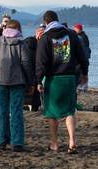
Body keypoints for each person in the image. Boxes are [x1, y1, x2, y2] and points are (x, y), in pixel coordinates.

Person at [35, 12, 87, 153]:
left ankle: (54, 143)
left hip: (53, 79)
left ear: (46, 22)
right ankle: (72, 142)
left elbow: (41, 61)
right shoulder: (72, 34)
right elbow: (82, 56)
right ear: (58, 20)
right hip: (69, 78)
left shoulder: (45, 38)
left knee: (52, 112)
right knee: (70, 110)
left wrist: (38, 79)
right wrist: (85, 73)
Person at [0, 18, 34, 150]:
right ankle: (17, 143)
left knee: (2, 111)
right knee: (16, 112)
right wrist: (30, 81)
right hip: (17, 81)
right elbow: (26, 63)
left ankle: (3, 141)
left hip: (0, 80)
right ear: (18, 29)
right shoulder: (21, 43)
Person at [72, 23, 91, 91]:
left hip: (83, 57)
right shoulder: (83, 36)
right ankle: (83, 86)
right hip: (85, 57)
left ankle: (83, 86)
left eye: (75, 28)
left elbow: (83, 49)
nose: (74, 30)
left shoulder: (81, 37)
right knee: (83, 72)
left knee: (82, 72)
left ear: (78, 29)